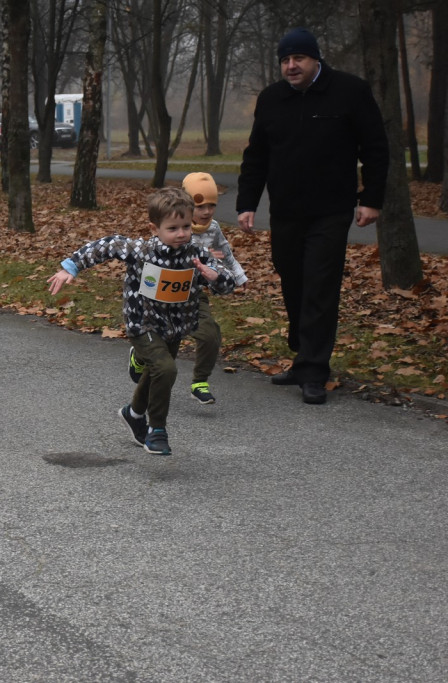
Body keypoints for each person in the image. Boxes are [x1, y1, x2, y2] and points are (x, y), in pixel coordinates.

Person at [236, 27, 389, 405]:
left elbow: (375, 147)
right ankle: (303, 354)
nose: (291, 66)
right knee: (292, 280)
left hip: (331, 211)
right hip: (286, 211)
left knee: (320, 284)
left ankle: (315, 370)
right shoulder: (272, 99)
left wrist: (371, 199)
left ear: (315, 59)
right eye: (285, 60)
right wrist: (246, 203)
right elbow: (256, 155)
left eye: (298, 59)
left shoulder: (349, 91)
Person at [47, 187, 236, 456]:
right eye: (173, 228)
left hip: (175, 326)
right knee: (166, 370)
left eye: (186, 226)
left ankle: (134, 413)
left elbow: (226, 284)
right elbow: (106, 246)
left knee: (156, 372)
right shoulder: (141, 250)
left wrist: (215, 277)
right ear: (154, 228)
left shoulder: (197, 255)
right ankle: (157, 429)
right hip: (143, 323)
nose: (181, 233)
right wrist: (72, 267)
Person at [128, 173, 249, 405]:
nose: (206, 211)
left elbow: (228, 255)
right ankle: (140, 358)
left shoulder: (213, 229)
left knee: (210, 334)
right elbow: (153, 251)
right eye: (200, 205)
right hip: (161, 295)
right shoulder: (168, 224)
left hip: (193, 294)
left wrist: (238, 276)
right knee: (159, 345)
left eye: (212, 205)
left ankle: (199, 382)